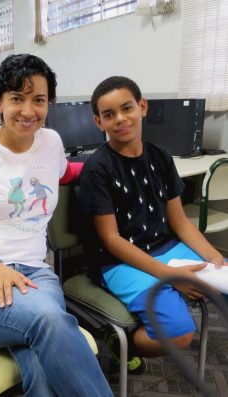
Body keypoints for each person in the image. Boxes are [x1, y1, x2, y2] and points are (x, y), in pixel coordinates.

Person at [0, 54, 112, 397]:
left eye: (39, 100)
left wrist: (108, 162)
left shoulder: (51, 142)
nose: (28, 110)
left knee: (40, 361)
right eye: (17, 98)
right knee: (48, 320)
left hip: (36, 274)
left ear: (49, 104)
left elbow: (63, 173)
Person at [79, 76, 228, 364]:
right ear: (99, 122)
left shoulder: (161, 157)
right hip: (118, 260)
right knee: (178, 335)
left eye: (127, 108)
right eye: (109, 115)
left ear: (142, 106)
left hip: (166, 248)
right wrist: (170, 276)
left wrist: (213, 259)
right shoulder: (97, 169)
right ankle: (122, 348)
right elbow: (111, 240)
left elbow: (181, 222)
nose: (120, 119)